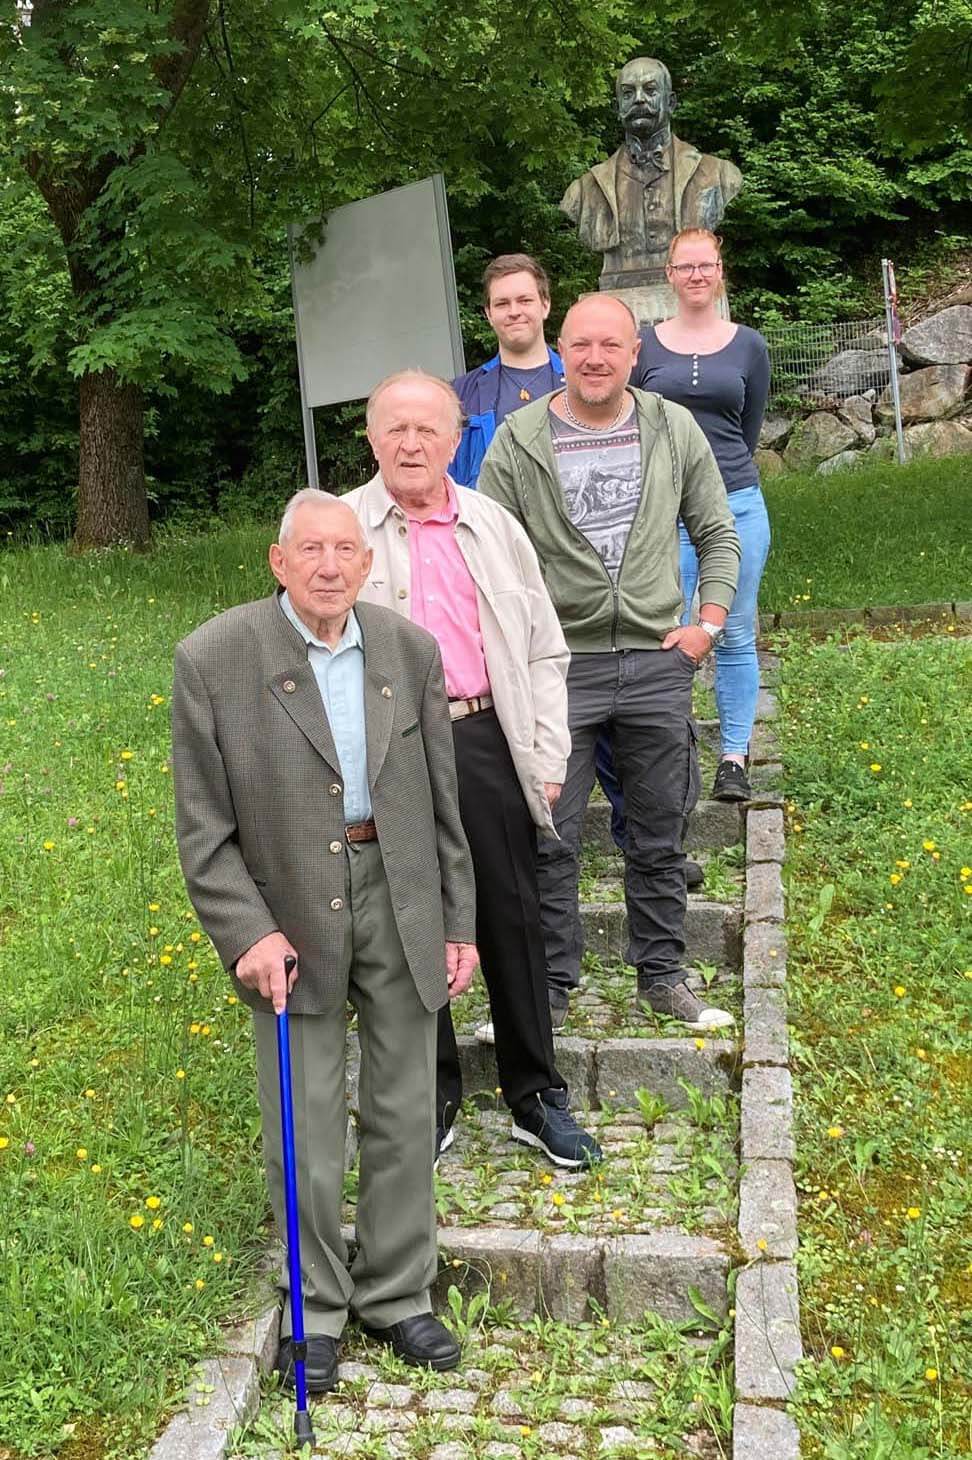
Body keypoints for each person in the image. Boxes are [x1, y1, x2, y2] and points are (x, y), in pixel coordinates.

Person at [171, 492, 479, 1392]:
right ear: (278, 561)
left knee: (404, 1103)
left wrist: (458, 921)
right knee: (304, 1119)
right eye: (312, 550)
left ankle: (398, 1295)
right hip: (290, 906)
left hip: (400, 887)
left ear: (367, 562)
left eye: (346, 549)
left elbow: (442, 803)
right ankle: (316, 1305)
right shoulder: (213, 658)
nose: (331, 566)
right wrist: (245, 932)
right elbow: (202, 829)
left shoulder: (408, 650)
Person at [343, 370, 600, 1168]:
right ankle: (433, 1090)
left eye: (429, 429)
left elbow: (544, 646)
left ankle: (535, 1094)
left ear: (457, 440)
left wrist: (549, 754)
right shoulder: (343, 526)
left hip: (483, 734)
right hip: (387, 748)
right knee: (408, 919)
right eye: (396, 429)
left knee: (513, 917)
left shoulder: (492, 524)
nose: (412, 443)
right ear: (372, 438)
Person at [478, 294, 740, 1030]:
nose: (596, 358)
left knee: (660, 833)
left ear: (634, 353)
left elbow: (717, 532)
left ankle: (663, 975)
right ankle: (549, 987)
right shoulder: (518, 439)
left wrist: (706, 626)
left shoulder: (671, 426)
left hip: (658, 661)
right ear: (562, 349)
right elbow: (487, 552)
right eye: (582, 345)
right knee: (549, 837)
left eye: (611, 346)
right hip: (560, 669)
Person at [635, 227, 770, 800]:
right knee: (667, 633)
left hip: (736, 503)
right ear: (669, 274)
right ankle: (673, 757)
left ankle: (735, 757)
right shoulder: (645, 344)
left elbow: (749, 425)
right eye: (684, 266)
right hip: (661, 512)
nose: (696, 275)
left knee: (733, 630)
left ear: (720, 273)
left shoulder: (749, 346)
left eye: (706, 265)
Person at [560, 57, 742, 308]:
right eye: (628, 93)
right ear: (617, 107)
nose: (638, 99)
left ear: (671, 102)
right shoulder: (585, 190)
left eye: (650, 90)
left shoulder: (718, 175)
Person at [450, 253, 565, 488]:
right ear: (489, 314)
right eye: (502, 303)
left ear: (545, 305)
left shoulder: (579, 383)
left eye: (525, 300)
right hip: (489, 521)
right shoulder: (459, 394)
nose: (514, 311)